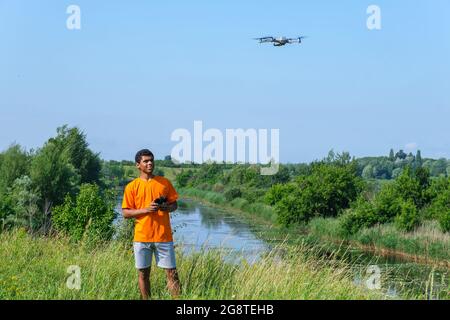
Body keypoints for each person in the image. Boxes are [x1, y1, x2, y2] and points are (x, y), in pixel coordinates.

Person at [122, 149, 181, 299]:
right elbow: (126, 213)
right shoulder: (131, 186)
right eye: (146, 161)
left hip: (163, 236)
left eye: (151, 160)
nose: (150, 163)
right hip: (142, 237)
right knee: (143, 274)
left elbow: (174, 205)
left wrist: (167, 207)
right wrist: (146, 209)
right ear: (138, 165)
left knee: (172, 273)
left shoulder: (164, 182)